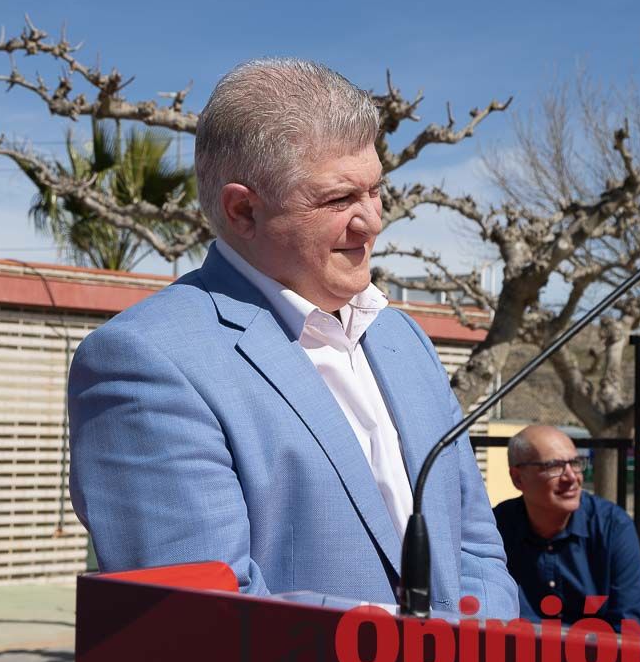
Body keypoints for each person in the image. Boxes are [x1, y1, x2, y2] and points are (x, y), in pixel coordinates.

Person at [67, 58, 517, 618]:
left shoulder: (404, 337)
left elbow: (476, 544)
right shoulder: (145, 362)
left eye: (375, 190)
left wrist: (468, 658)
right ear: (243, 210)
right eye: (338, 200)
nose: (372, 221)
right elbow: (208, 619)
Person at [493, 425, 640, 630]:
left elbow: (631, 628)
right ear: (518, 478)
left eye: (575, 463)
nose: (572, 477)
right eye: (554, 466)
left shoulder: (613, 527)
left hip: (597, 659)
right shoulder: (496, 529)